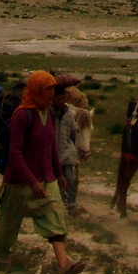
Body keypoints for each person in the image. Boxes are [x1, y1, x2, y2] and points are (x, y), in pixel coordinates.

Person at [0, 71, 86, 274]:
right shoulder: (21, 116)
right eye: (49, 89)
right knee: (9, 224)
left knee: (55, 215)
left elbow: (51, 146)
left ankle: (63, 264)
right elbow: (15, 154)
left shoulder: (49, 114)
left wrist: (58, 174)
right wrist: (32, 182)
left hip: (46, 178)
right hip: (19, 183)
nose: (53, 94)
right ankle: (0, 254)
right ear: (37, 90)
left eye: (54, 89)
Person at [51, 75, 82, 214]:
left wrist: (74, 152)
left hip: (67, 153)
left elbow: (73, 135)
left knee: (69, 179)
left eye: (63, 99)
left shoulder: (70, 114)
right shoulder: (48, 113)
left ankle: (71, 204)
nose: (61, 102)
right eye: (58, 99)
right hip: (52, 154)